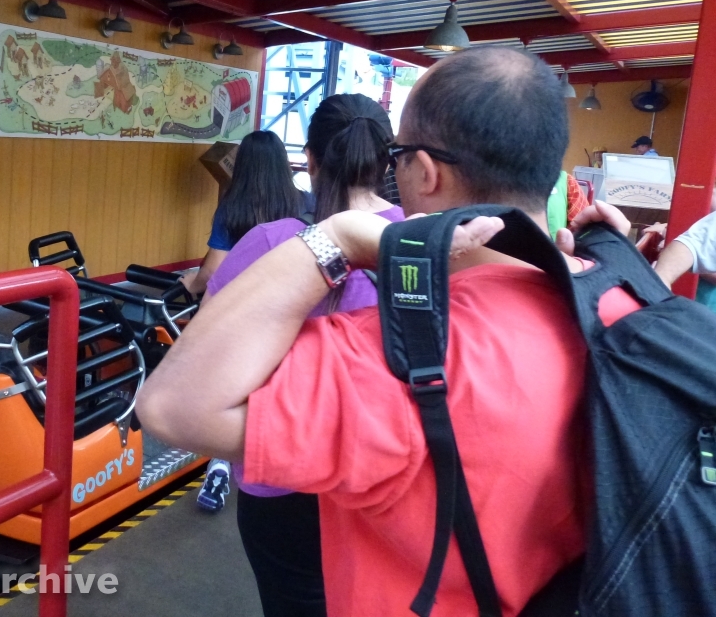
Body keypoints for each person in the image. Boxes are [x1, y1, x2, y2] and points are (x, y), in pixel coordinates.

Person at [137, 47, 642, 617]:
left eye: (399, 155)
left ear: (424, 172)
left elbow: (170, 408)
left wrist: (336, 239)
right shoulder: (628, 304)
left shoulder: (391, 358)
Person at [198, 93, 401, 617]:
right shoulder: (424, 244)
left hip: (282, 473)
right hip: (387, 473)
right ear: (387, 162)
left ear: (310, 159)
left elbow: (206, 353)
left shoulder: (272, 242)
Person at [179, 130, 304, 297]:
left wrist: (193, 284)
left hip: (243, 297)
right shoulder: (304, 203)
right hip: (289, 294)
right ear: (283, 163)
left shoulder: (232, 208)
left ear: (242, 165)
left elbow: (212, 271)